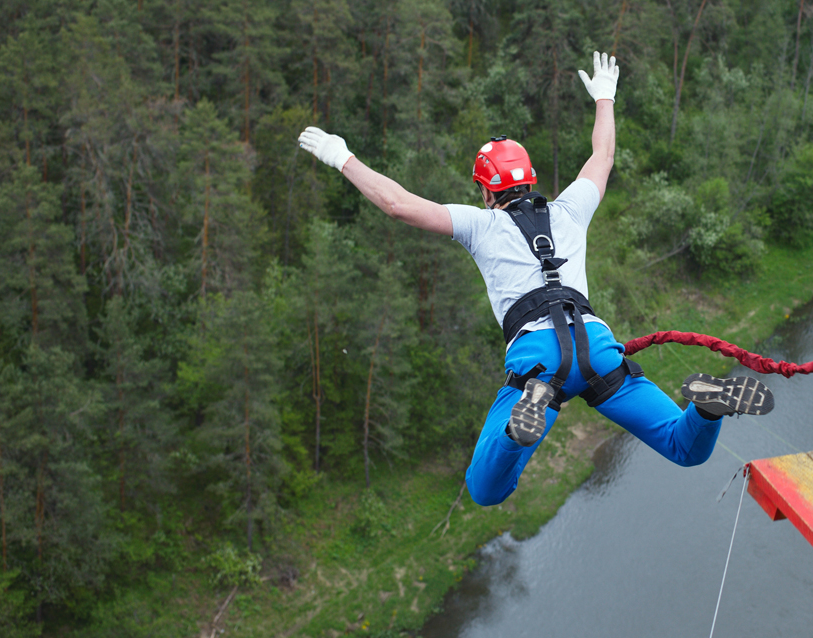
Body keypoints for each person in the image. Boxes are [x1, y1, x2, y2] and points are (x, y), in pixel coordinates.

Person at [298, 51, 773, 507]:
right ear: (530, 178)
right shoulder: (569, 210)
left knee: (486, 489)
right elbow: (602, 157)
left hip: (537, 361)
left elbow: (397, 204)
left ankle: (516, 427)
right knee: (684, 448)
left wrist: (342, 157)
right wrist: (604, 98)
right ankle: (709, 407)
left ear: (486, 191)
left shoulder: (479, 224)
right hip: (597, 348)